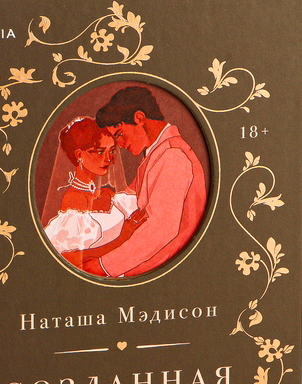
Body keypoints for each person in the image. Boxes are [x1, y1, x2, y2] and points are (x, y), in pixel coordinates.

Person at [82, 86, 207, 278]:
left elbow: (160, 230)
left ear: (139, 118)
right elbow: (129, 197)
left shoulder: (173, 155)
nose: (120, 144)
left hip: (168, 271)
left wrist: (104, 266)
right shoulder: (156, 155)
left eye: (119, 134)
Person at [44, 117, 147, 270]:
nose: (109, 159)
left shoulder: (108, 195)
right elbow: (69, 258)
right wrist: (121, 239)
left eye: (111, 151)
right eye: (100, 152)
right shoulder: (74, 200)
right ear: (79, 155)